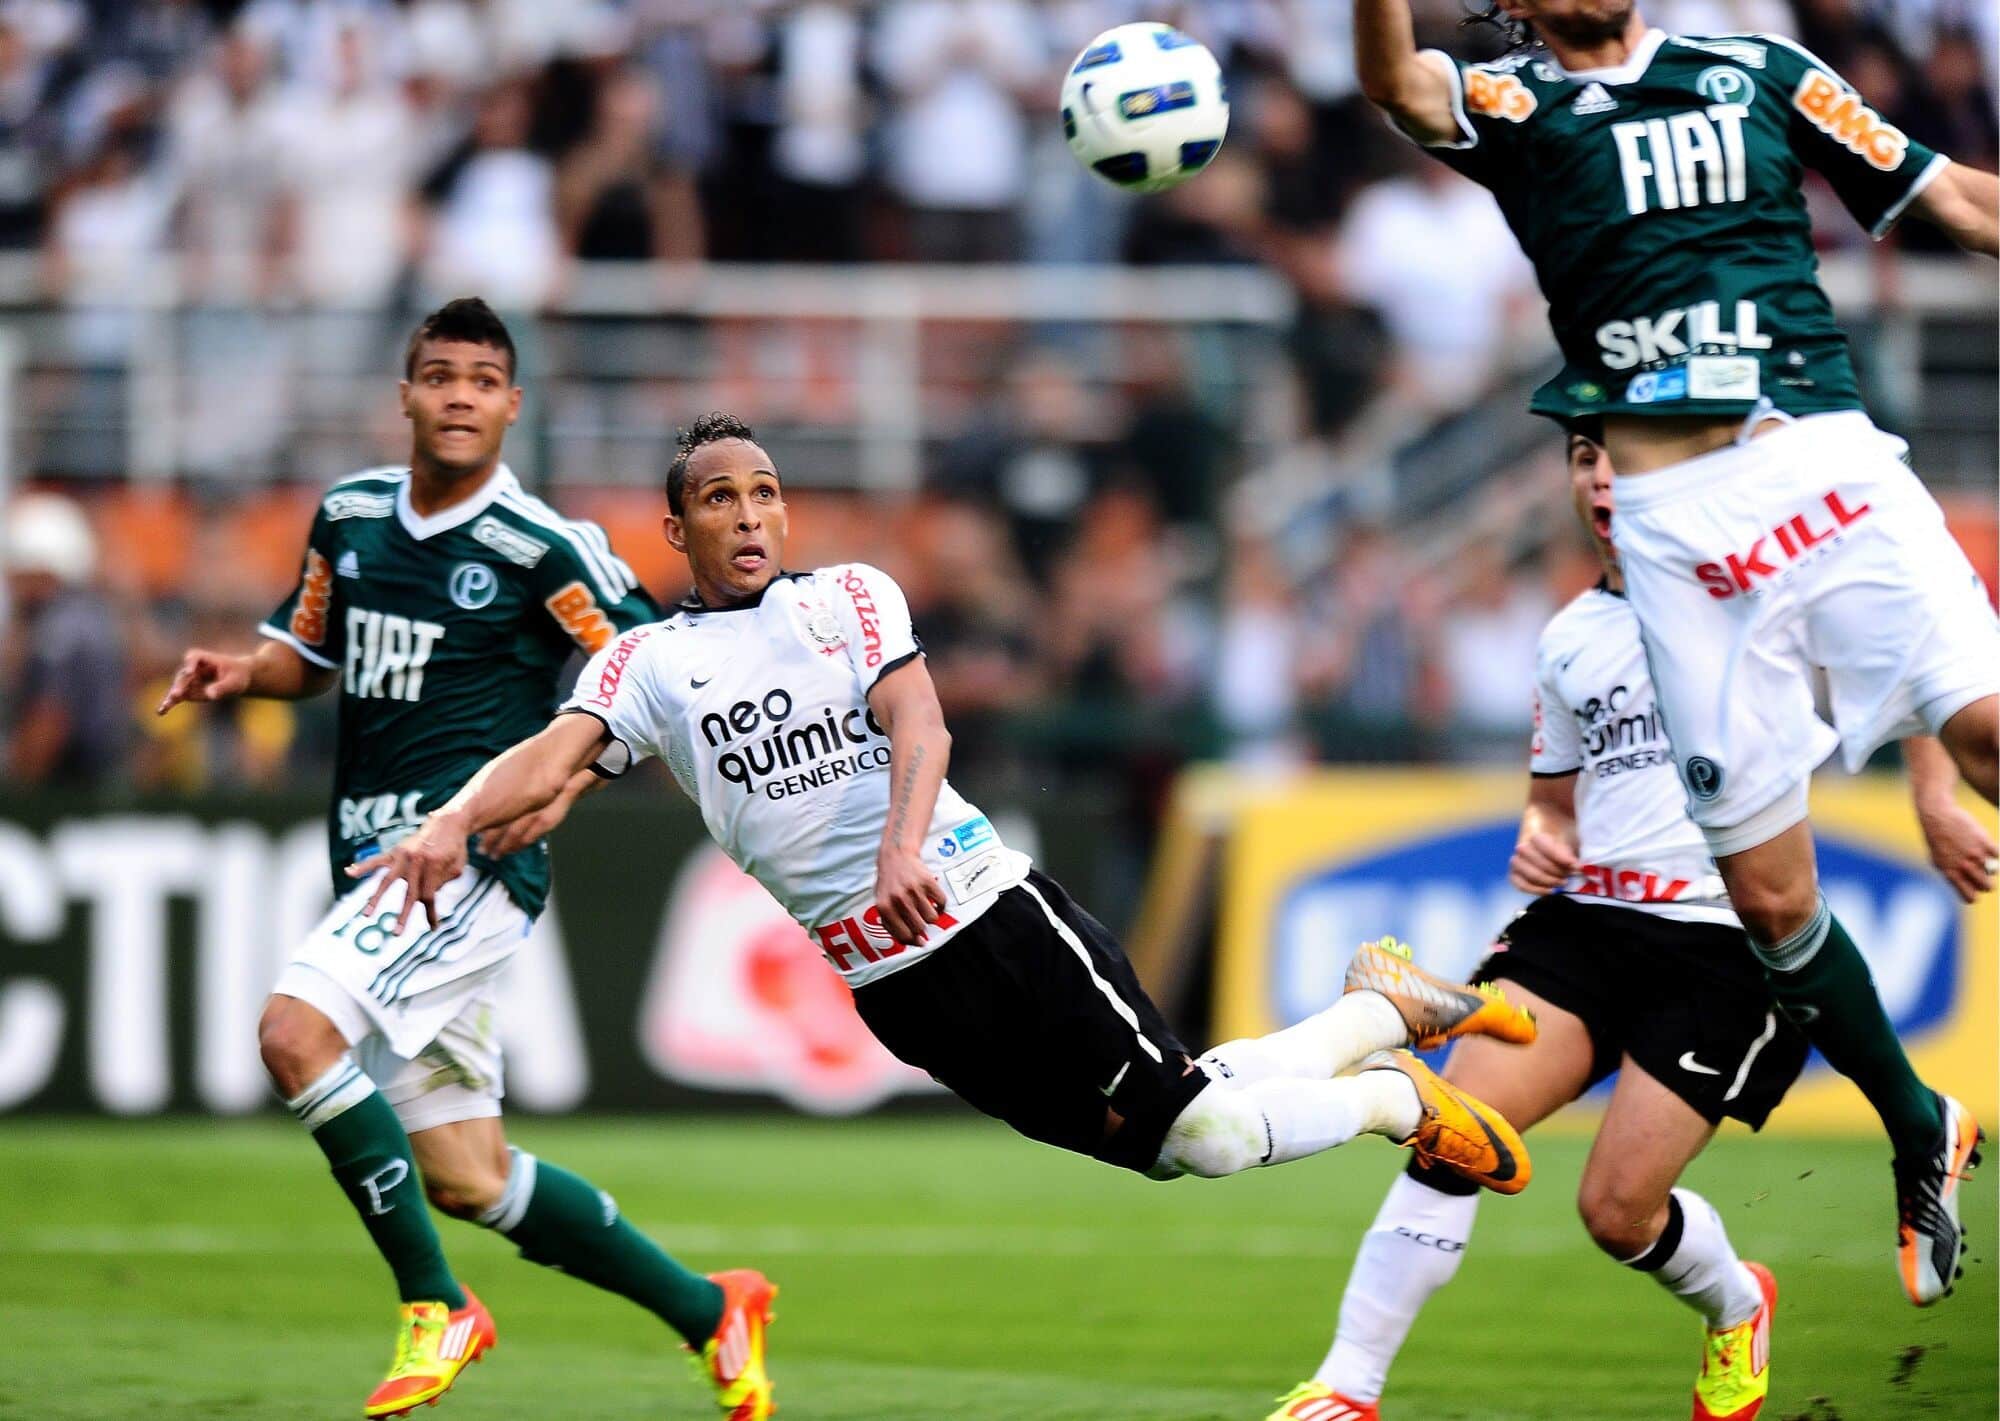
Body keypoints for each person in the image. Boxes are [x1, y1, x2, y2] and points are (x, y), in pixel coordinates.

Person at [361, 413, 1544, 1237]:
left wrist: (899, 846)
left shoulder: (847, 597)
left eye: (764, 491)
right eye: (719, 497)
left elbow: (918, 718)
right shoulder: (649, 664)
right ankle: (1375, 1007)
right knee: (1172, 1139)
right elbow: (553, 752)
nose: (750, 514)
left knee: (1210, 1132)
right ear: (676, 530)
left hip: (988, 915)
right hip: (891, 982)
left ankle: (1394, 1096)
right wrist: (450, 821)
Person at [1352, 0, 2000, 1305]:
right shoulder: (1518, 106)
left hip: (1816, 459)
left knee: (1986, 734)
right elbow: (1400, 86)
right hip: (1675, 535)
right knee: (1769, 899)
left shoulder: (1758, 71)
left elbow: (1955, 198)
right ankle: (1918, 1122)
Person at [1270, 432, 1996, 1421]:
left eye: (1620, 455)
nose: (1602, 477)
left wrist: (1934, 797)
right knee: (1449, 1130)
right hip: (1587, 925)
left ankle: (1738, 1304)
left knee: (1615, 1212)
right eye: (1583, 457)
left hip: (1724, 945)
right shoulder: (1569, 633)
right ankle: (1347, 1387)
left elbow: (1915, 666)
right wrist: (1541, 836)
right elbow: (1551, 805)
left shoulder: (1762, 589)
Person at [156, 302, 776, 1421]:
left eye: (482, 380)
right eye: (439, 375)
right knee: (466, 1174)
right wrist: (243, 674)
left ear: (512, 405)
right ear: (405, 394)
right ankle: (710, 1308)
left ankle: (436, 1303)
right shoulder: (350, 516)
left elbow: (655, 674)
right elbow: (310, 654)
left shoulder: (543, 547)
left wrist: (570, 785)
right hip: (374, 862)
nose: (458, 396)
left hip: (468, 863)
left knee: (294, 1034)